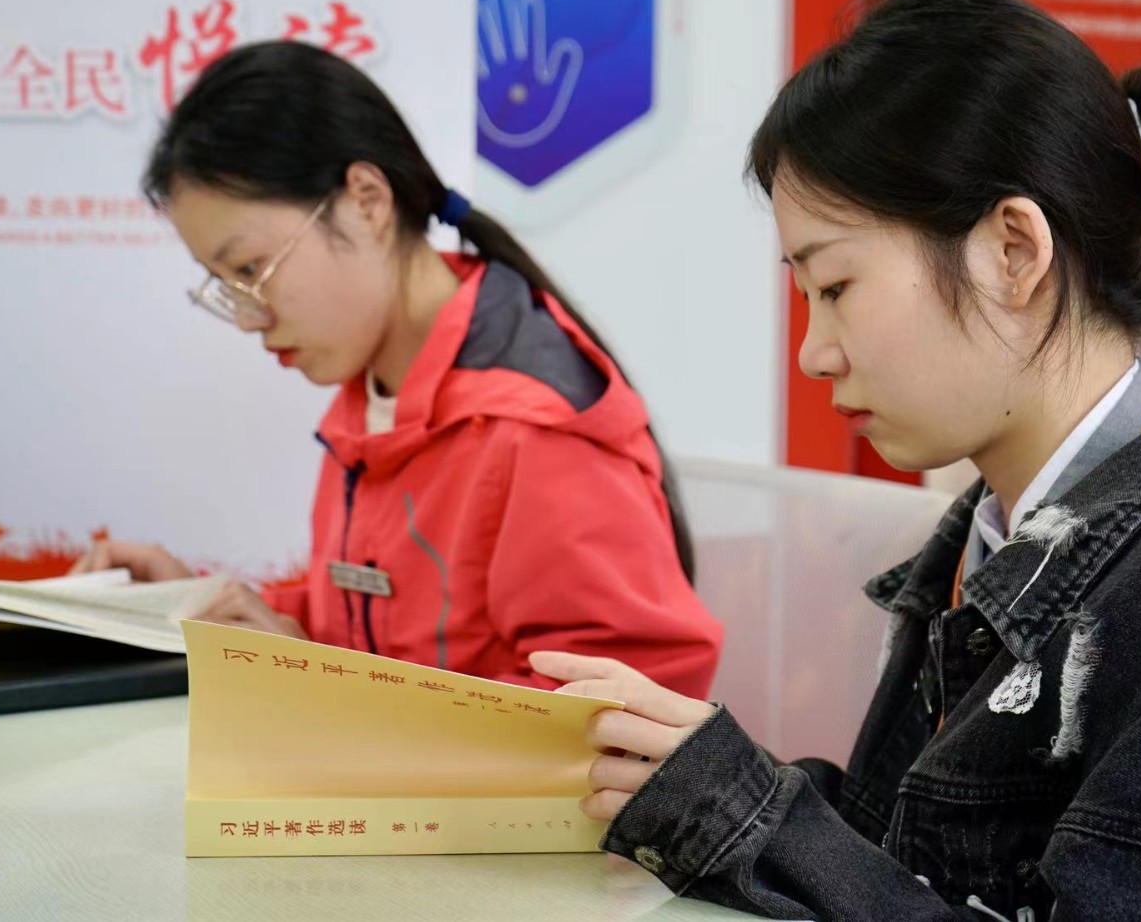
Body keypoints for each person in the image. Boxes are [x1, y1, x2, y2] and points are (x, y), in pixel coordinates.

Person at [532, 0, 1141, 919]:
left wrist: (743, 813)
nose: (815, 352)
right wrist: (705, 784)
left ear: (1013, 252)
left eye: (837, 285)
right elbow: (918, 864)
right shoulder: (984, 545)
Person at [73, 41, 721, 697]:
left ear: (367, 200)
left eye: (249, 269)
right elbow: (390, 636)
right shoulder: (379, 384)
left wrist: (316, 680)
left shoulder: (532, 430)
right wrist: (203, 608)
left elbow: (626, 704)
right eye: (225, 286)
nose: (247, 317)